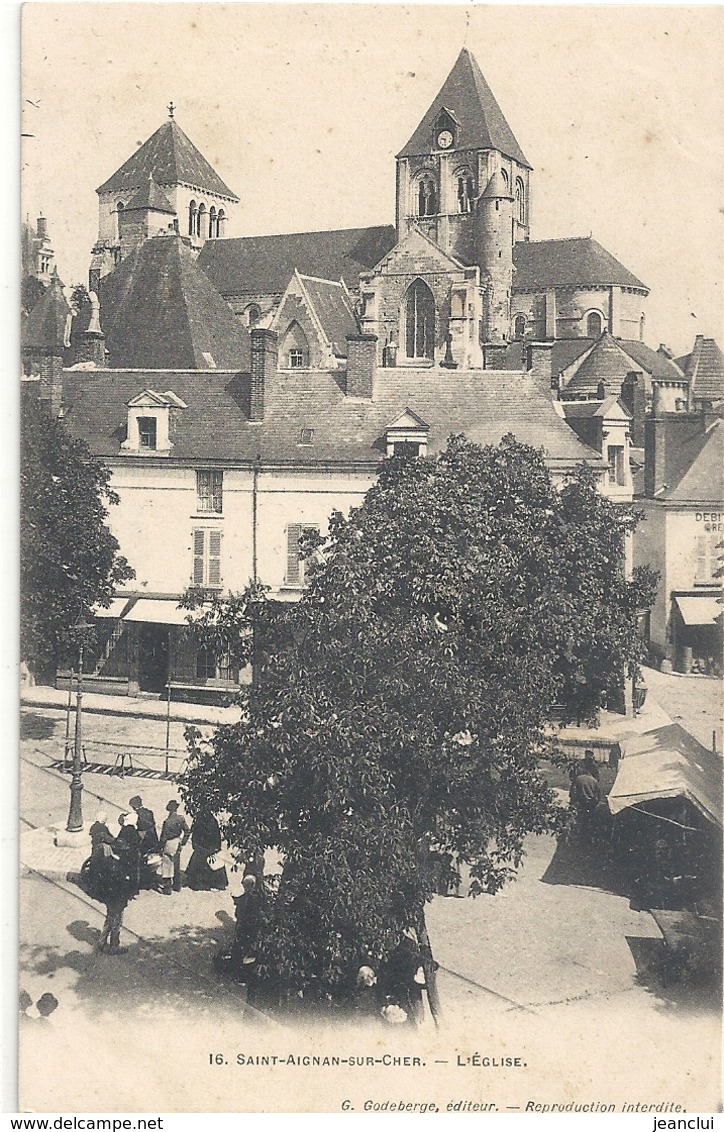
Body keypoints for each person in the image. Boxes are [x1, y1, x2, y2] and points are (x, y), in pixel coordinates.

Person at [231, 874, 263, 994]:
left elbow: (239, 915)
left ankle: (241, 977)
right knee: (249, 951)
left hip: (244, 929)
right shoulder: (258, 897)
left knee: (241, 951)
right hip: (253, 929)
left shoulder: (246, 899)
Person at [185, 809, 228, 891]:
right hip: (208, 849)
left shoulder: (200, 821)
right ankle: (213, 883)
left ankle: (198, 883)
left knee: (199, 864)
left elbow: (195, 835)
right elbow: (217, 837)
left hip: (202, 849)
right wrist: (215, 848)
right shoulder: (212, 821)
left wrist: (196, 845)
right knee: (212, 865)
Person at [158, 800, 190, 894]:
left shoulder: (167, 822)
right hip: (177, 842)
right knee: (176, 865)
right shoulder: (181, 818)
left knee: (167, 865)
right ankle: (177, 885)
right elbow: (187, 831)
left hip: (168, 843)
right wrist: (183, 842)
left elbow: (163, 837)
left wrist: (160, 846)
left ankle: (167, 888)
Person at [129, 795, 161, 889]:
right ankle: (152, 878)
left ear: (134, 806)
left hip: (144, 840)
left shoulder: (137, 815)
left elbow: (139, 829)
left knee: (141, 859)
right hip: (153, 838)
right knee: (152, 858)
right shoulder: (149, 812)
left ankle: (143, 880)